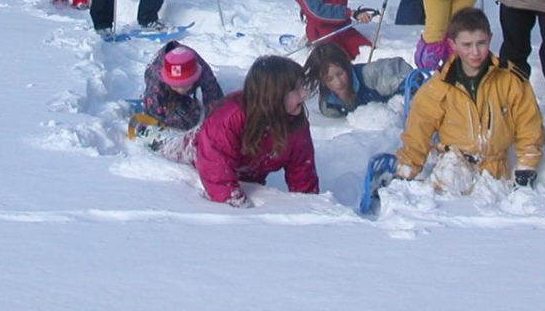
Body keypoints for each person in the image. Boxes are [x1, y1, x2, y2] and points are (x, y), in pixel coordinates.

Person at [394, 7, 545, 194]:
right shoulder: (440, 85)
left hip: (494, 168)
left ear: (490, 38)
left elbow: (529, 124)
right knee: (447, 200)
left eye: (481, 43)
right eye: (466, 45)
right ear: (453, 44)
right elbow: (419, 128)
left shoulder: (510, 80)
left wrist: (526, 165)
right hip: (453, 163)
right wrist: (407, 167)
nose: (475, 52)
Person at [162, 56, 319, 207]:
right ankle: (157, 139)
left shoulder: (296, 124)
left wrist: (307, 205)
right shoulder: (230, 117)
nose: (303, 94)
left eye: (302, 87)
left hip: (246, 170)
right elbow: (215, 164)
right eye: (296, 90)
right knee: (167, 149)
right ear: (273, 96)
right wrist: (233, 201)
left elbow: (302, 170)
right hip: (198, 147)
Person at [303, 42, 412, 118]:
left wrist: (400, 104)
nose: (338, 82)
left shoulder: (369, 74)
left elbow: (409, 76)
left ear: (347, 66)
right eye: (329, 79)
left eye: (340, 73)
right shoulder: (329, 105)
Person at [140, 42, 223, 130]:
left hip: (175, 83)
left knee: (191, 119)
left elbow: (213, 96)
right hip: (162, 86)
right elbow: (153, 108)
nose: (181, 89)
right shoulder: (156, 79)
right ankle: (169, 100)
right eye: (176, 85)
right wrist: (158, 127)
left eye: (185, 84)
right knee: (172, 121)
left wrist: (213, 123)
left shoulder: (203, 71)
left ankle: (179, 99)